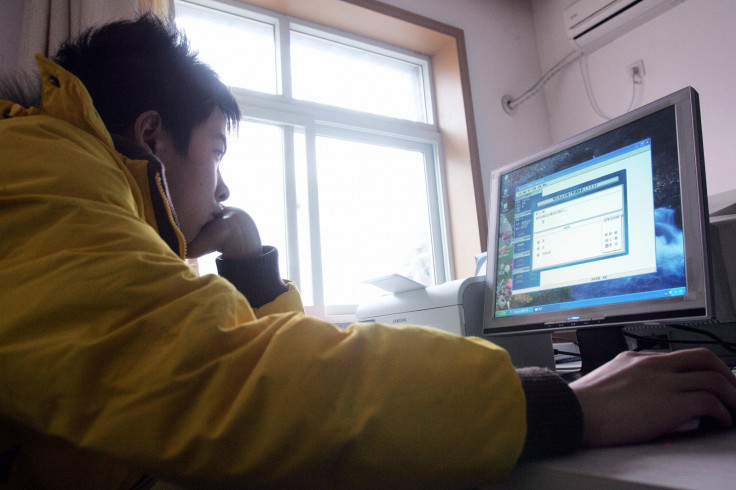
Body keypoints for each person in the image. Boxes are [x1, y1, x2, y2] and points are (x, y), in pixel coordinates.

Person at [0, 13, 734, 489]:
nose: (223, 188)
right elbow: (226, 383)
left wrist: (253, 265)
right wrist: (558, 406)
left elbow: (210, 369)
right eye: (217, 153)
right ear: (152, 134)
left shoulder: (61, 172)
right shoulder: (41, 168)